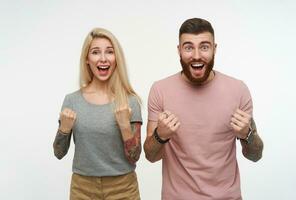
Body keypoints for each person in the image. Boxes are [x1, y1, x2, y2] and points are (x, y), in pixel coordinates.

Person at [144, 18, 264, 200]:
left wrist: (247, 134)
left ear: (215, 49)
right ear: (179, 50)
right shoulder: (160, 90)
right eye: (189, 47)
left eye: (204, 47)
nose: (197, 55)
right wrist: (160, 136)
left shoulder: (238, 90)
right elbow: (150, 156)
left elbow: (255, 155)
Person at [53, 28, 142, 200]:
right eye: (95, 52)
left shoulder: (129, 102)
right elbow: (59, 153)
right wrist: (64, 129)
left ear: (116, 58)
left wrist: (124, 126)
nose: (103, 58)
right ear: (87, 59)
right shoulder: (72, 100)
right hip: (82, 187)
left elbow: (135, 157)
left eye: (109, 52)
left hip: (123, 186)